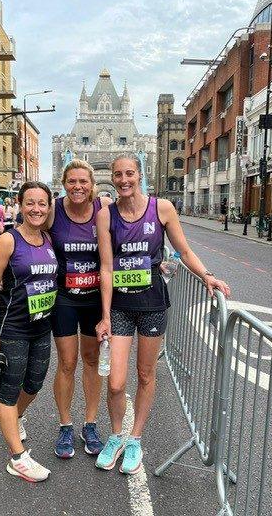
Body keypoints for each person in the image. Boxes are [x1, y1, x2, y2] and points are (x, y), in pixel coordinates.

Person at [94, 154, 230, 474]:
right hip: (120, 308)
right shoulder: (105, 216)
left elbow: (183, 250)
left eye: (130, 173)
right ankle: (116, 436)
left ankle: (136, 439)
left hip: (153, 303)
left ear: (139, 175)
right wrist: (105, 315)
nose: (124, 180)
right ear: (112, 179)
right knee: (115, 383)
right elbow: (106, 266)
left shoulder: (162, 209)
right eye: (118, 175)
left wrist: (206, 275)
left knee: (144, 375)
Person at [0, 181, 57, 482]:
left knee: (35, 384)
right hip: (12, 328)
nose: (36, 209)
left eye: (42, 203)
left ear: (48, 207)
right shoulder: (8, 241)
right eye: (30, 203)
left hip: (42, 326)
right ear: (20, 205)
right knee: (10, 389)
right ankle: (18, 457)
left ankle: (14, 418)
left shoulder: (48, 238)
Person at [47, 159, 112, 459]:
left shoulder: (103, 208)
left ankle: (90, 423)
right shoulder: (53, 211)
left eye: (83, 182)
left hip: (93, 298)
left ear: (92, 184)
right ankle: (65, 425)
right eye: (72, 181)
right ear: (64, 184)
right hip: (64, 297)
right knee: (67, 362)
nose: (78, 187)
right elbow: (31, 232)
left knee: (91, 359)